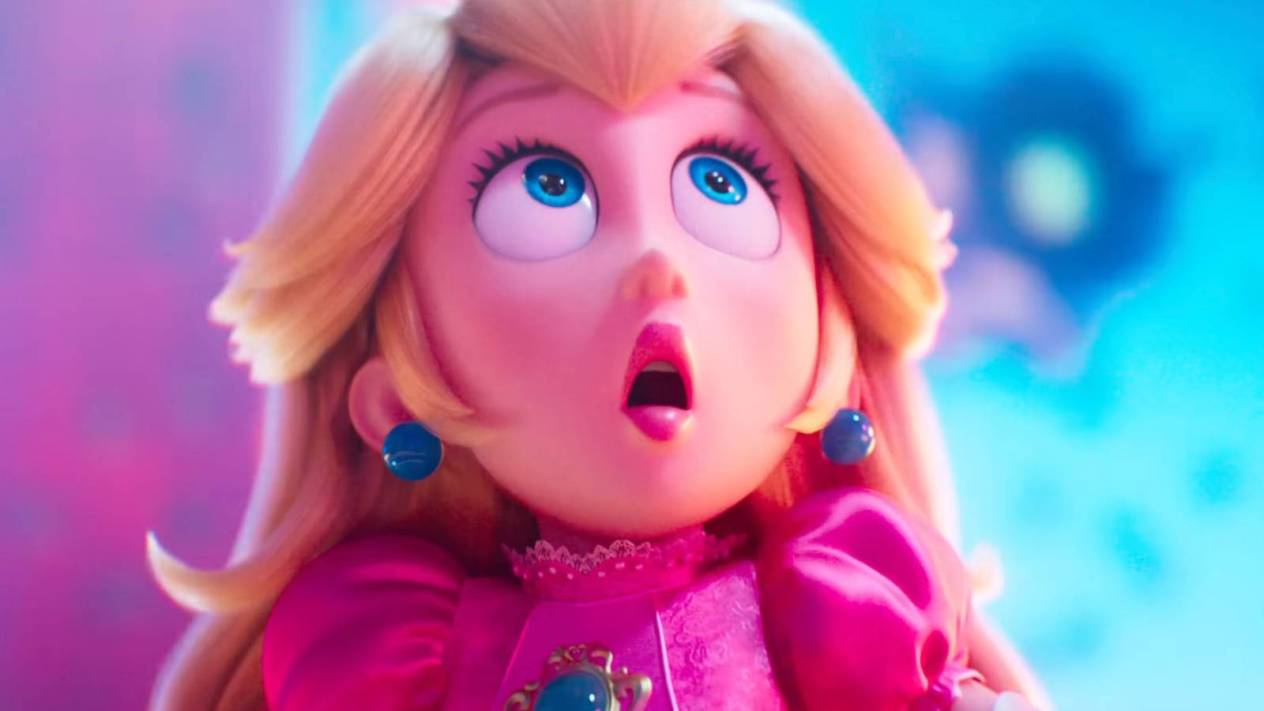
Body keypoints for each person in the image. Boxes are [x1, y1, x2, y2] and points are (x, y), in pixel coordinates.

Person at [147, 1, 1049, 708]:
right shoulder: (392, 647)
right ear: (394, 401)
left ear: (832, 340)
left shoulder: (853, 609)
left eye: (720, 184)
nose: (657, 261)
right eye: (548, 187)